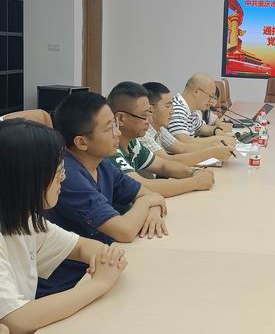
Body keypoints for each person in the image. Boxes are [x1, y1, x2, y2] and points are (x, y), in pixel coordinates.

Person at [0, 119, 127, 332]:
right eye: (58, 172)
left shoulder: (25, 219)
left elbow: (81, 247)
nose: (64, 178)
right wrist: (100, 284)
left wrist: (106, 258)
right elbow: (16, 320)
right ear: (28, 178)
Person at [37, 92, 167, 298]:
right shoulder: (68, 175)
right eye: (109, 128)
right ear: (81, 142)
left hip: (99, 268)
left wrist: (152, 208)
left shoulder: (101, 163)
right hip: (68, 285)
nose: (118, 133)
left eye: (115, 124)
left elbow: (146, 193)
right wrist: (148, 203)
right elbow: (124, 231)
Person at [107, 82, 215, 196]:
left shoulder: (133, 143)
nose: (149, 120)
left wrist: (193, 172)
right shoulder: (110, 150)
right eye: (144, 115)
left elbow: (163, 165)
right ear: (121, 118)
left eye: (149, 113)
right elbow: (142, 187)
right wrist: (195, 182)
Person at [141, 82, 235, 166]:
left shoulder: (160, 129)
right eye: (168, 106)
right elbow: (167, 161)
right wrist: (212, 151)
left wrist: (216, 144)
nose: (172, 111)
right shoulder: (143, 134)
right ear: (150, 109)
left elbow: (182, 148)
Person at [168, 74, 237, 140]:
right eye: (210, 96)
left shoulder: (191, 110)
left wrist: (216, 130)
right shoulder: (177, 109)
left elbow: (201, 128)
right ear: (196, 92)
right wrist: (219, 140)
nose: (211, 101)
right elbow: (185, 142)